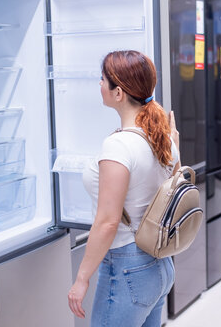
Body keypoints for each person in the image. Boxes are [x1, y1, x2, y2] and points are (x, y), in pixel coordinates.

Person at [68, 50, 180, 326]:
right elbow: (173, 194)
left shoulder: (118, 146)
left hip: (129, 266)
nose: (99, 84)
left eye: (103, 79)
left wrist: (81, 279)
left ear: (118, 93)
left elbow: (108, 222)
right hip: (159, 264)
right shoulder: (163, 137)